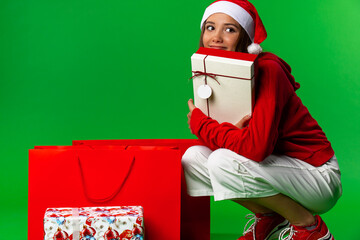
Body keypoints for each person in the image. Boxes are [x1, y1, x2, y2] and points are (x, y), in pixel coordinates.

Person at [182, 0, 342, 239]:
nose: (216, 37)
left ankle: (309, 226)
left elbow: (255, 148)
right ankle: (270, 216)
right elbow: (233, 141)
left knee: (221, 161)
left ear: (245, 38)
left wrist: (202, 124)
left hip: (316, 176)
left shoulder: (268, 70)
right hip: (278, 170)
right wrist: (227, 134)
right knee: (192, 159)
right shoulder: (220, 73)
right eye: (210, 27)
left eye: (230, 29)